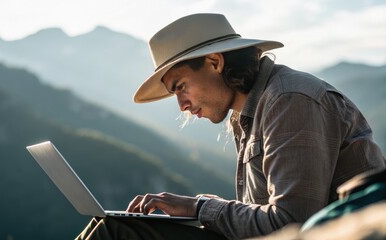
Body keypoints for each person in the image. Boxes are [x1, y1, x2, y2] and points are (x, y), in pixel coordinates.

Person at [76, 13, 385, 240]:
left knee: (115, 232)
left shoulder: (290, 100)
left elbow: (291, 222)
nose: (181, 104)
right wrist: (204, 207)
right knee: (107, 228)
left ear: (214, 63)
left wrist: (200, 209)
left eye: (180, 86)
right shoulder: (252, 109)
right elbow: (268, 212)